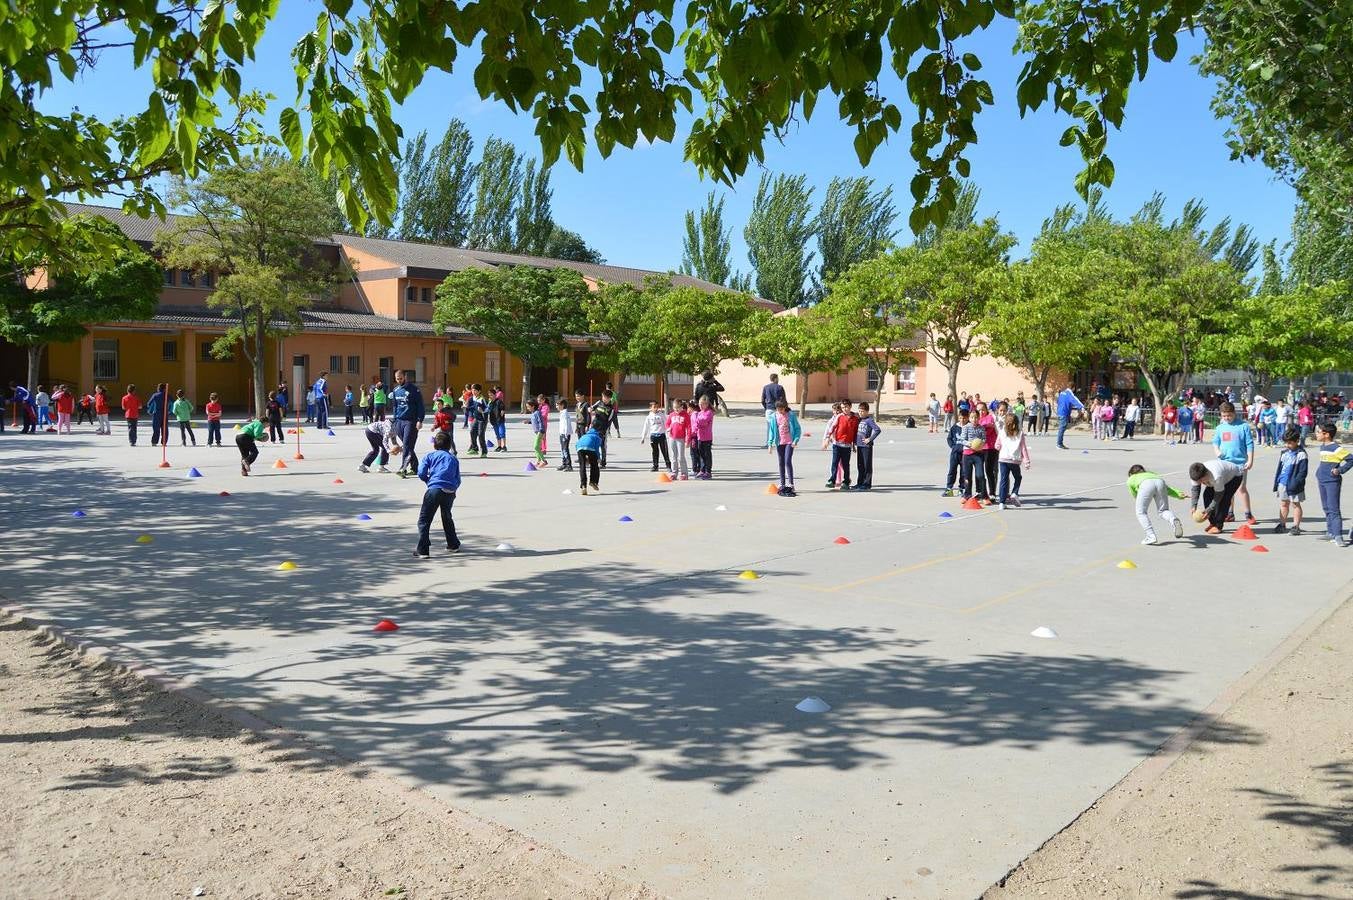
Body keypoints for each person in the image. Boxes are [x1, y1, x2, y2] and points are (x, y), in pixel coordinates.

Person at [414, 431, 462, 558]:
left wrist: (428, 480)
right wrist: (453, 489)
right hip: (449, 491)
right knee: (447, 517)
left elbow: (421, 473)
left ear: (434, 444)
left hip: (434, 489)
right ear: (449, 445)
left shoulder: (430, 456)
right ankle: (453, 544)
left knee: (424, 520)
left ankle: (423, 550)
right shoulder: (453, 458)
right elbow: (458, 479)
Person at [1213, 402, 1256, 525]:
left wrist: (1250, 460)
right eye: (1224, 416)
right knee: (1228, 490)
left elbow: (1249, 444)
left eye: (1229, 415)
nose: (1227, 418)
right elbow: (1215, 441)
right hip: (1225, 463)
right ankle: (1229, 513)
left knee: (1241, 488)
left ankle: (1248, 513)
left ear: (1234, 413)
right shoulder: (1220, 427)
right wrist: (1217, 450)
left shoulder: (1243, 426)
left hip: (1240, 463)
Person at [1127, 464, 1186, 545]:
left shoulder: (1131, 478)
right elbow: (1167, 489)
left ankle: (1151, 536)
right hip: (1160, 482)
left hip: (1145, 485)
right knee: (1163, 510)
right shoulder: (1152, 474)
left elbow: (1135, 495)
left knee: (1141, 512)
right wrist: (1179, 494)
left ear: (1131, 473)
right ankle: (1173, 520)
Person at [1315, 422, 1352, 546]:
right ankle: (1330, 532)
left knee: (1333, 508)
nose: (1317, 434)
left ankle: (1338, 535)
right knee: (1326, 507)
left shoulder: (1336, 448)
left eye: (1319, 432)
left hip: (1332, 482)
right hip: (1322, 480)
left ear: (1326, 434)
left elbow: (1351, 459)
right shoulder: (1323, 447)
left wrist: (1339, 470)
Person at [1189, 459, 1244, 535]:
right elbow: (1195, 489)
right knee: (1207, 496)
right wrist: (1193, 505)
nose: (1200, 483)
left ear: (1206, 474)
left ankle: (1218, 526)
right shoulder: (1195, 474)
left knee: (1224, 500)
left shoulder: (1216, 476)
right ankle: (1213, 523)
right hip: (1220, 477)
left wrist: (1209, 509)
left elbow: (1218, 495)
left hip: (1234, 477)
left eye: (1201, 481)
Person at [390, 369, 425, 477]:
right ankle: (415, 468)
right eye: (397, 379)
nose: (399, 380)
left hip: (411, 421)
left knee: (406, 445)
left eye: (401, 378)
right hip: (399, 421)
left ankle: (403, 469)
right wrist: (394, 420)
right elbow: (395, 406)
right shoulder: (396, 390)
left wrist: (420, 420)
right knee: (408, 446)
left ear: (404, 377)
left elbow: (420, 405)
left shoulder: (414, 389)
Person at [1273, 426, 1308, 536]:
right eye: (1286, 443)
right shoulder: (1284, 453)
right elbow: (1280, 468)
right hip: (1282, 483)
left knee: (1295, 504)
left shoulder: (1301, 454)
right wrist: (1277, 482)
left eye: (1290, 443)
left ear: (1297, 441)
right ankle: (1282, 524)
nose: (1287, 445)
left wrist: (1297, 483)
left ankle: (1296, 526)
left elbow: (1303, 472)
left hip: (1294, 485)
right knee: (1284, 504)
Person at [994, 413, 1030, 509]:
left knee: (1003, 480)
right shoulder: (1020, 433)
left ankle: (1002, 503)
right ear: (1017, 423)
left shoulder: (1002, 432)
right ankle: (1014, 493)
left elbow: (997, 445)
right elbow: (1023, 448)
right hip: (1014, 460)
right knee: (1018, 478)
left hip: (1003, 459)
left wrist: (998, 447)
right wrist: (1026, 461)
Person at [767, 399, 802, 496]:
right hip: (780, 442)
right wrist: (770, 444)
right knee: (781, 462)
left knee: (787, 461)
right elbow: (771, 431)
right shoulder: (774, 416)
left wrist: (795, 440)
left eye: (782, 409)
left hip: (789, 442)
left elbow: (797, 429)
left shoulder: (791, 415)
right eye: (778, 409)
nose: (780, 411)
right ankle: (782, 483)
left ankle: (791, 484)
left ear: (785, 408)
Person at [825, 400, 859, 490]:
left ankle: (846, 482)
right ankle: (832, 480)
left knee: (845, 465)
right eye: (843, 407)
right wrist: (827, 438)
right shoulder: (839, 416)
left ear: (850, 406)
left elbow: (855, 432)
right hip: (837, 444)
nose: (844, 409)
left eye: (846, 407)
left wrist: (854, 444)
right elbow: (833, 427)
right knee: (834, 463)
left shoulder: (855, 419)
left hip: (847, 446)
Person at [958, 410, 988, 502]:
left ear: (979, 418)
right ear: (969, 418)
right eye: (972, 417)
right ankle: (967, 494)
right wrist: (970, 444)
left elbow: (984, 439)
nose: (974, 419)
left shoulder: (981, 428)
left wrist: (980, 444)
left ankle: (984, 496)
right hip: (967, 455)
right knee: (967, 476)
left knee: (980, 475)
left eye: (976, 417)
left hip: (978, 455)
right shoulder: (966, 427)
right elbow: (962, 440)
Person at [942, 408, 968, 497]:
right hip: (955, 453)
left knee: (964, 472)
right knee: (952, 471)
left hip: (965, 454)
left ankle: (962, 488)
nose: (962, 420)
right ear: (959, 418)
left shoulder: (969, 427)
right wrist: (953, 447)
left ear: (967, 418)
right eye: (961, 418)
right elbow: (949, 438)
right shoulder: (954, 427)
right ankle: (949, 488)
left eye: (964, 418)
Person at [639, 400, 671, 472]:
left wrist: (669, 433)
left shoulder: (661, 415)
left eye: (657, 407)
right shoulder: (649, 417)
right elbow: (646, 427)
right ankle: (655, 466)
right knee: (655, 452)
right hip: (653, 436)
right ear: (650, 408)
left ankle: (668, 466)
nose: (656, 408)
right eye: (654, 407)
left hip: (662, 435)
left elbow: (666, 424)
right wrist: (643, 437)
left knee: (665, 451)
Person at [855, 401, 880, 490]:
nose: (860, 413)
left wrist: (869, 439)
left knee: (867, 465)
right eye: (859, 411)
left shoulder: (869, 420)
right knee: (860, 465)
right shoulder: (858, 420)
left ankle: (867, 484)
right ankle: (860, 482)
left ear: (867, 411)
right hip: (859, 445)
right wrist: (854, 443)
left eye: (862, 411)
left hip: (866, 446)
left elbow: (877, 430)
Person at [691, 394, 716, 479]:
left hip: (707, 438)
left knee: (707, 455)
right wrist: (693, 431)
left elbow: (703, 422)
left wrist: (695, 419)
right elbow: (695, 425)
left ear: (707, 404)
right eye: (700, 404)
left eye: (703, 404)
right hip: (699, 437)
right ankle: (702, 469)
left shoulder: (709, 412)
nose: (701, 406)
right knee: (701, 454)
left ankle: (708, 471)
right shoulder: (700, 413)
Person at [666, 399, 691, 480]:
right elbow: (667, 423)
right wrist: (668, 428)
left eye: (677, 407)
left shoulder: (686, 415)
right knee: (673, 456)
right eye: (674, 407)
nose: (676, 409)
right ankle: (674, 473)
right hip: (672, 438)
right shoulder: (671, 415)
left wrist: (688, 440)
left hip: (681, 439)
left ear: (681, 407)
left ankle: (684, 474)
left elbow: (689, 428)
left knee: (681, 457)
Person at [591, 389, 617, 467]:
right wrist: (590, 409)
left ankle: (603, 461)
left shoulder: (611, 409)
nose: (603, 398)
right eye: (602, 396)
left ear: (609, 398)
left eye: (605, 397)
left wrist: (605, 431)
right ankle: (593, 459)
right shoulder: (599, 402)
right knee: (593, 444)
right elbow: (592, 408)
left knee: (602, 445)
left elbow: (609, 421)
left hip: (602, 429)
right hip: (594, 427)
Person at [575, 425, 603, 495]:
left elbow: (577, 445)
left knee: (582, 467)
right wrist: (598, 458)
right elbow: (596, 449)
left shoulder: (584, 435)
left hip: (579, 448)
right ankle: (593, 482)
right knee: (594, 466)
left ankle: (583, 486)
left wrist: (584, 458)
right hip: (590, 448)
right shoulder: (597, 437)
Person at [1055, 384, 1085, 449]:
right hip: (1064, 412)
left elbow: (1059, 401)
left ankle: (1059, 443)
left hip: (1060, 411)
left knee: (1062, 428)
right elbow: (1074, 400)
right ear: (1073, 388)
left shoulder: (1062, 393)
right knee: (1062, 428)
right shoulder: (1069, 393)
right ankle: (1059, 444)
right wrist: (1082, 407)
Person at [760, 374, 787, 440]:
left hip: (769, 408)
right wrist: (785, 409)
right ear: (775, 379)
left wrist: (766, 407)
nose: (778, 380)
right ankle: (780, 441)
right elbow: (784, 400)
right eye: (777, 378)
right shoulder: (780, 387)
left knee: (770, 426)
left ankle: (769, 442)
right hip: (778, 409)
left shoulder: (766, 387)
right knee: (780, 426)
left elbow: (762, 400)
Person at [465, 384, 488, 457]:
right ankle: (475, 448)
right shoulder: (472, 398)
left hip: (482, 420)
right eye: (472, 390)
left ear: (479, 391)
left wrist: (482, 411)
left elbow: (487, 408)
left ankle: (484, 452)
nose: (473, 391)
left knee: (481, 435)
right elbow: (472, 407)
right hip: (476, 418)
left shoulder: (482, 399)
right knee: (472, 432)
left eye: (475, 390)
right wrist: (466, 407)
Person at [146, 382, 169, 446]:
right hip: (164, 414)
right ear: (165, 389)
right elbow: (172, 402)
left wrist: (151, 408)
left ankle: (154, 442)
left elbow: (149, 404)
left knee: (156, 429)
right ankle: (164, 442)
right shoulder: (167, 395)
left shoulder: (155, 395)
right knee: (164, 429)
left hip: (156, 414)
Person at [528, 399, 548, 467]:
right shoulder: (533, 413)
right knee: (537, 447)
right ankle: (538, 461)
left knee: (536, 447)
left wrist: (541, 431)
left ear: (533, 406)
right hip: (537, 432)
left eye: (528, 407)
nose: (528, 408)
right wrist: (528, 422)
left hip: (540, 431)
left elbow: (540, 422)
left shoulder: (537, 412)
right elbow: (534, 421)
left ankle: (544, 461)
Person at [488, 385, 507, 452]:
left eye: (491, 395)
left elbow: (502, 407)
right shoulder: (490, 403)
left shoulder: (499, 401)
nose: (490, 396)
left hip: (500, 420)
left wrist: (502, 411)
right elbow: (488, 411)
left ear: (495, 394)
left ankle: (504, 446)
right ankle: (499, 446)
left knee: (502, 433)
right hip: (494, 421)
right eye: (489, 395)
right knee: (497, 434)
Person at [557, 400, 574, 471]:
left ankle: (569, 465)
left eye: (558, 405)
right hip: (562, 434)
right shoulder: (562, 413)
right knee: (562, 449)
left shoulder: (565, 413)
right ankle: (564, 463)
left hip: (565, 434)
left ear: (562, 405)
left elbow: (566, 424)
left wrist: (566, 434)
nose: (556, 407)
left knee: (565, 449)